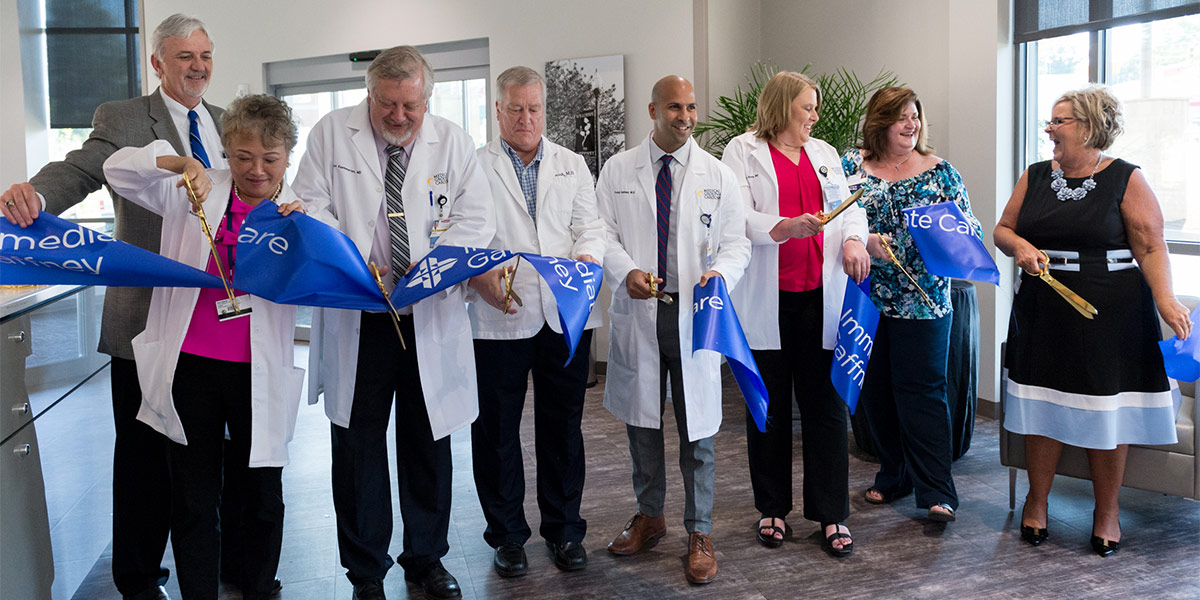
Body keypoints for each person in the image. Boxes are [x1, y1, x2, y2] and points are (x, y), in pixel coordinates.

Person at [0, 14, 222, 600]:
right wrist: (36, 195)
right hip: (144, 320)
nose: (197, 66)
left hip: (211, 324)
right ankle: (138, 576)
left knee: (204, 456)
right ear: (157, 63)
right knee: (144, 457)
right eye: (183, 56)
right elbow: (77, 171)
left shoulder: (225, 124)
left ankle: (211, 561)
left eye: (204, 55)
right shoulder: (123, 118)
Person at [292, 45, 493, 600]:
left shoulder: (453, 141)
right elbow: (309, 207)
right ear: (370, 95)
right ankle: (366, 572)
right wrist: (359, 261)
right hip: (363, 315)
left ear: (427, 98)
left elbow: (477, 219)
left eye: (411, 105)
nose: (399, 117)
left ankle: (426, 559)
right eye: (387, 105)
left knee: (428, 445)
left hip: (428, 314)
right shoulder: (331, 134)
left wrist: (432, 269)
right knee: (357, 449)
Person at [101, 94, 306, 600]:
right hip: (190, 365)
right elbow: (118, 168)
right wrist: (180, 161)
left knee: (262, 492)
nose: (255, 170)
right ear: (226, 152)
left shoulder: (301, 212)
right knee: (194, 496)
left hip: (257, 369)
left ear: (287, 156)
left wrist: (309, 231)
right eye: (242, 157)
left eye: (270, 158)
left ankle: (259, 588)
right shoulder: (196, 188)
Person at [994, 85, 1192, 556]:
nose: (1049, 130)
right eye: (1050, 121)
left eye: (1058, 121)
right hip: (1043, 308)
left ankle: (1107, 511)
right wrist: (1018, 246)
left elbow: (1149, 245)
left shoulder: (1126, 178)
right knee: (1042, 404)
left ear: (1087, 125)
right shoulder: (1036, 175)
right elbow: (1003, 229)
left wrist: (1165, 298)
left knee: (1106, 413)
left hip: (1112, 311)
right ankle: (1036, 502)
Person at [597, 75, 751, 585]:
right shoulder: (618, 169)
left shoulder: (717, 174)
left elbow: (737, 242)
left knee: (699, 427)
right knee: (643, 423)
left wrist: (720, 274)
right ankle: (651, 515)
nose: (685, 117)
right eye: (673, 108)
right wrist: (625, 273)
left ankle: (700, 530)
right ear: (652, 110)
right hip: (642, 308)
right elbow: (603, 236)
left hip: (694, 311)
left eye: (690, 107)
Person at [722, 71, 870, 557]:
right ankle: (771, 508)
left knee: (826, 408)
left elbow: (851, 207)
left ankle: (831, 515)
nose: (814, 117)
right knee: (768, 408)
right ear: (782, 107)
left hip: (819, 299)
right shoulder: (741, 152)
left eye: (815, 109)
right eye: (806, 107)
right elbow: (734, 216)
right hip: (767, 297)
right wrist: (783, 226)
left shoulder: (826, 154)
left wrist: (852, 238)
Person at [466, 66, 605, 577]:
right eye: (516, 109)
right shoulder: (473, 167)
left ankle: (564, 530)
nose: (526, 118)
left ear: (545, 111)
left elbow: (590, 226)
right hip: (500, 314)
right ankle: (506, 536)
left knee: (563, 425)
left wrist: (589, 257)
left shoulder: (571, 163)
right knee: (497, 430)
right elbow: (464, 234)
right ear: (498, 111)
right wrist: (482, 272)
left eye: (535, 109)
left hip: (562, 312)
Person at [841, 86, 979, 523]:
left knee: (922, 395)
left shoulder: (940, 172)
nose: (910, 124)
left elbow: (969, 229)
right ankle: (894, 474)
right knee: (875, 392)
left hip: (923, 302)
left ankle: (937, 491)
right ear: (879, 121)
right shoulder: (851, 167)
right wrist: (863, 239)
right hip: (866, 299)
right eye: (900, 116)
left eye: (914, 115)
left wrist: (942, 230)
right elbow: (833, 220)